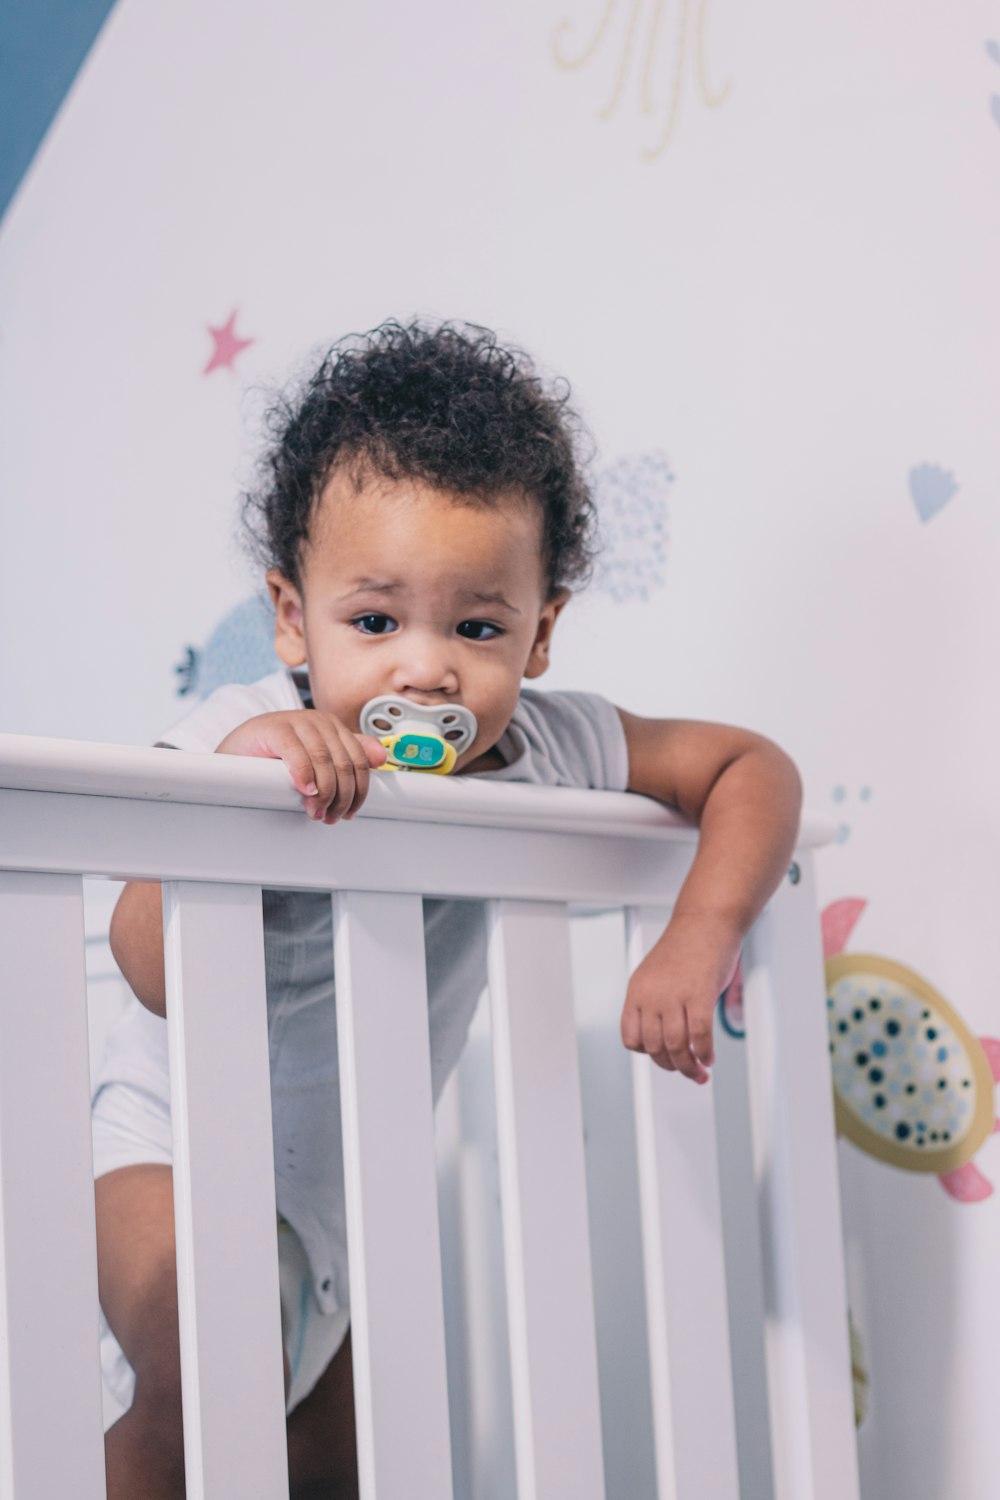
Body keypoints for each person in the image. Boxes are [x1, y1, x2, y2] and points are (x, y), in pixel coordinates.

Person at [96, 319, 802, 1499]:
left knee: (338, 1462)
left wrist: (697, 933)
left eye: (476, 628)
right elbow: (149, 965)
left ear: (541, 632)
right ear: (291, 617)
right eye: (373, 623)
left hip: (347, 1205)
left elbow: (751, 769)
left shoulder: (548, 744)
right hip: (169, 1151)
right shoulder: (244, 731)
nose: (424, 670)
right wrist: (245, 776)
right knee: (200, 1386)